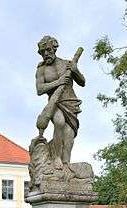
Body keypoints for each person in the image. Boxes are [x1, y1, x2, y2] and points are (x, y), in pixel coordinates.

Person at [36, 36, 85, 169]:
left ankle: (66, 163)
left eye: (48, 50)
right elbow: (40, 89)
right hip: (55, 103)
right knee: (59, 121)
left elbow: (82, 82)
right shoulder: (41, 69)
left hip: (70, 102)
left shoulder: (66, 64)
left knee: (69, 133)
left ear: (54, 48)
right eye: (42, 52)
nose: (46, 54)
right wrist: (58, 82)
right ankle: (56, 157)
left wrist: (75, 70)